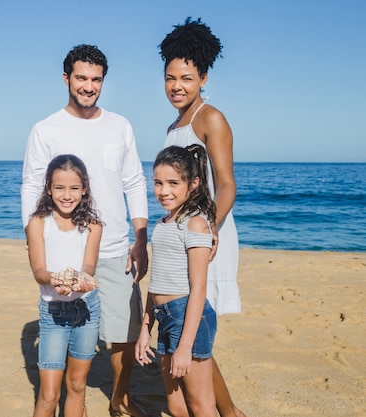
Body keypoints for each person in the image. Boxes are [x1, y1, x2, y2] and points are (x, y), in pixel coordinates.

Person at [21, 44, 150, 417]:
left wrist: (140, 237)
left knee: (123, 330)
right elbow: (31, 185)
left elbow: (135, 181)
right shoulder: (46, 129)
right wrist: (33, 238)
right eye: (81, 78)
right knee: (66, 347)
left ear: (103, 82)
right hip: (62, 252)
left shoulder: (119, 125)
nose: (88, 86)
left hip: (113, 246)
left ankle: (120, 398)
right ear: (67, 79)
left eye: (96, 80)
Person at [158, 17, 245, 417]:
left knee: (197, 336)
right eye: (171, 77)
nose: (178, 86)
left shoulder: (211, 118)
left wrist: (210, 230)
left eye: (187, 78)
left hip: (206, 238)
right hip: (182, 240)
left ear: (204, 78)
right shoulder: (174, 124)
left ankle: (228, 413)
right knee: (196, 339)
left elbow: (226, 185)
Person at [135, 144, 218, 417]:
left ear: (193, 184)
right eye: (158, 183)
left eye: (173, 183)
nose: (163, 191)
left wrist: (184, 347)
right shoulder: (163, 223)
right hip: (165, 315)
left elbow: (199, 288)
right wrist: (146, 326)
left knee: (201, 405)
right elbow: (156, 280)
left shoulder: (195, 224)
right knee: (176, 406)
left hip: (187, 317)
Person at [26, 154, 103, 417]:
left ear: (84, 189)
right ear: (48, 188)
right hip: (53, 313)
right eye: (59, 187)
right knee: (49, 394)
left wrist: (82, 280)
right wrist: (56, 279)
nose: (66, 195)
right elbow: (38, 271)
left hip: (86, 310)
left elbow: (89, 266)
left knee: (77, 384)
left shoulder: (93, 225)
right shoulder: (38, 223)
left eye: (73, 188)